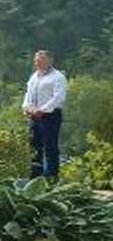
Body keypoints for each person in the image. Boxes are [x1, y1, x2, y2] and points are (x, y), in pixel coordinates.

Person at [27, 49, 69, 178]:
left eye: (41, 60)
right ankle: (35, 176)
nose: (38, 62)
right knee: (34, 147)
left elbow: (59, 97)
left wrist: (42, 109)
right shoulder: (34, 76)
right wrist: (26, 107)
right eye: (37, 60)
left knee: (50, 147)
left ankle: (50, 177)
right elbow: (28, 94)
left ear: (50, 60)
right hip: (34, 116)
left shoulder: (57, 77)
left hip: (50, 116)